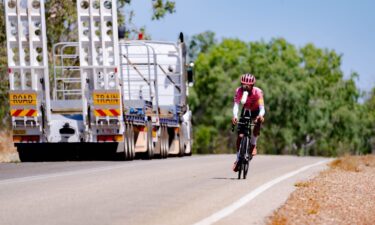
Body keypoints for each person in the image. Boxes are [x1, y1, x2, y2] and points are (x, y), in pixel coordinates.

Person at [232, 73, 265, 172]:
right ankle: (238, 158)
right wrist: (234, 116)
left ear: (252, 85)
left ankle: (253, 144)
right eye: (243, 85)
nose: (245, 87)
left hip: (256, 111)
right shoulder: (239, 91)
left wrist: (260, 115)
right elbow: (236, 105)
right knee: (240, 136)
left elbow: (262, 108)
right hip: (246, 110)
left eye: (248, 85)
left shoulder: (258, 92)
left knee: (258, 122)